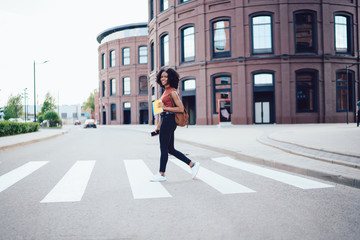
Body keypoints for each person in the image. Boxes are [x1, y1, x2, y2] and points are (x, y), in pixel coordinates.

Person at [151, 68, 200, 182]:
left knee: (164, 148)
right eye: (162, 77)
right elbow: (162, 112)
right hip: (165, 119)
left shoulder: (172, 92)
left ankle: (161, 174)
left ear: (170, 78)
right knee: (170, 149)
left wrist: (164, 107)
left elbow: (181, 108)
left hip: (169, 120)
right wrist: (158, 127)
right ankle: (192, 164)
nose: (163, 79)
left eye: (166, 77)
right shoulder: (165, 91)